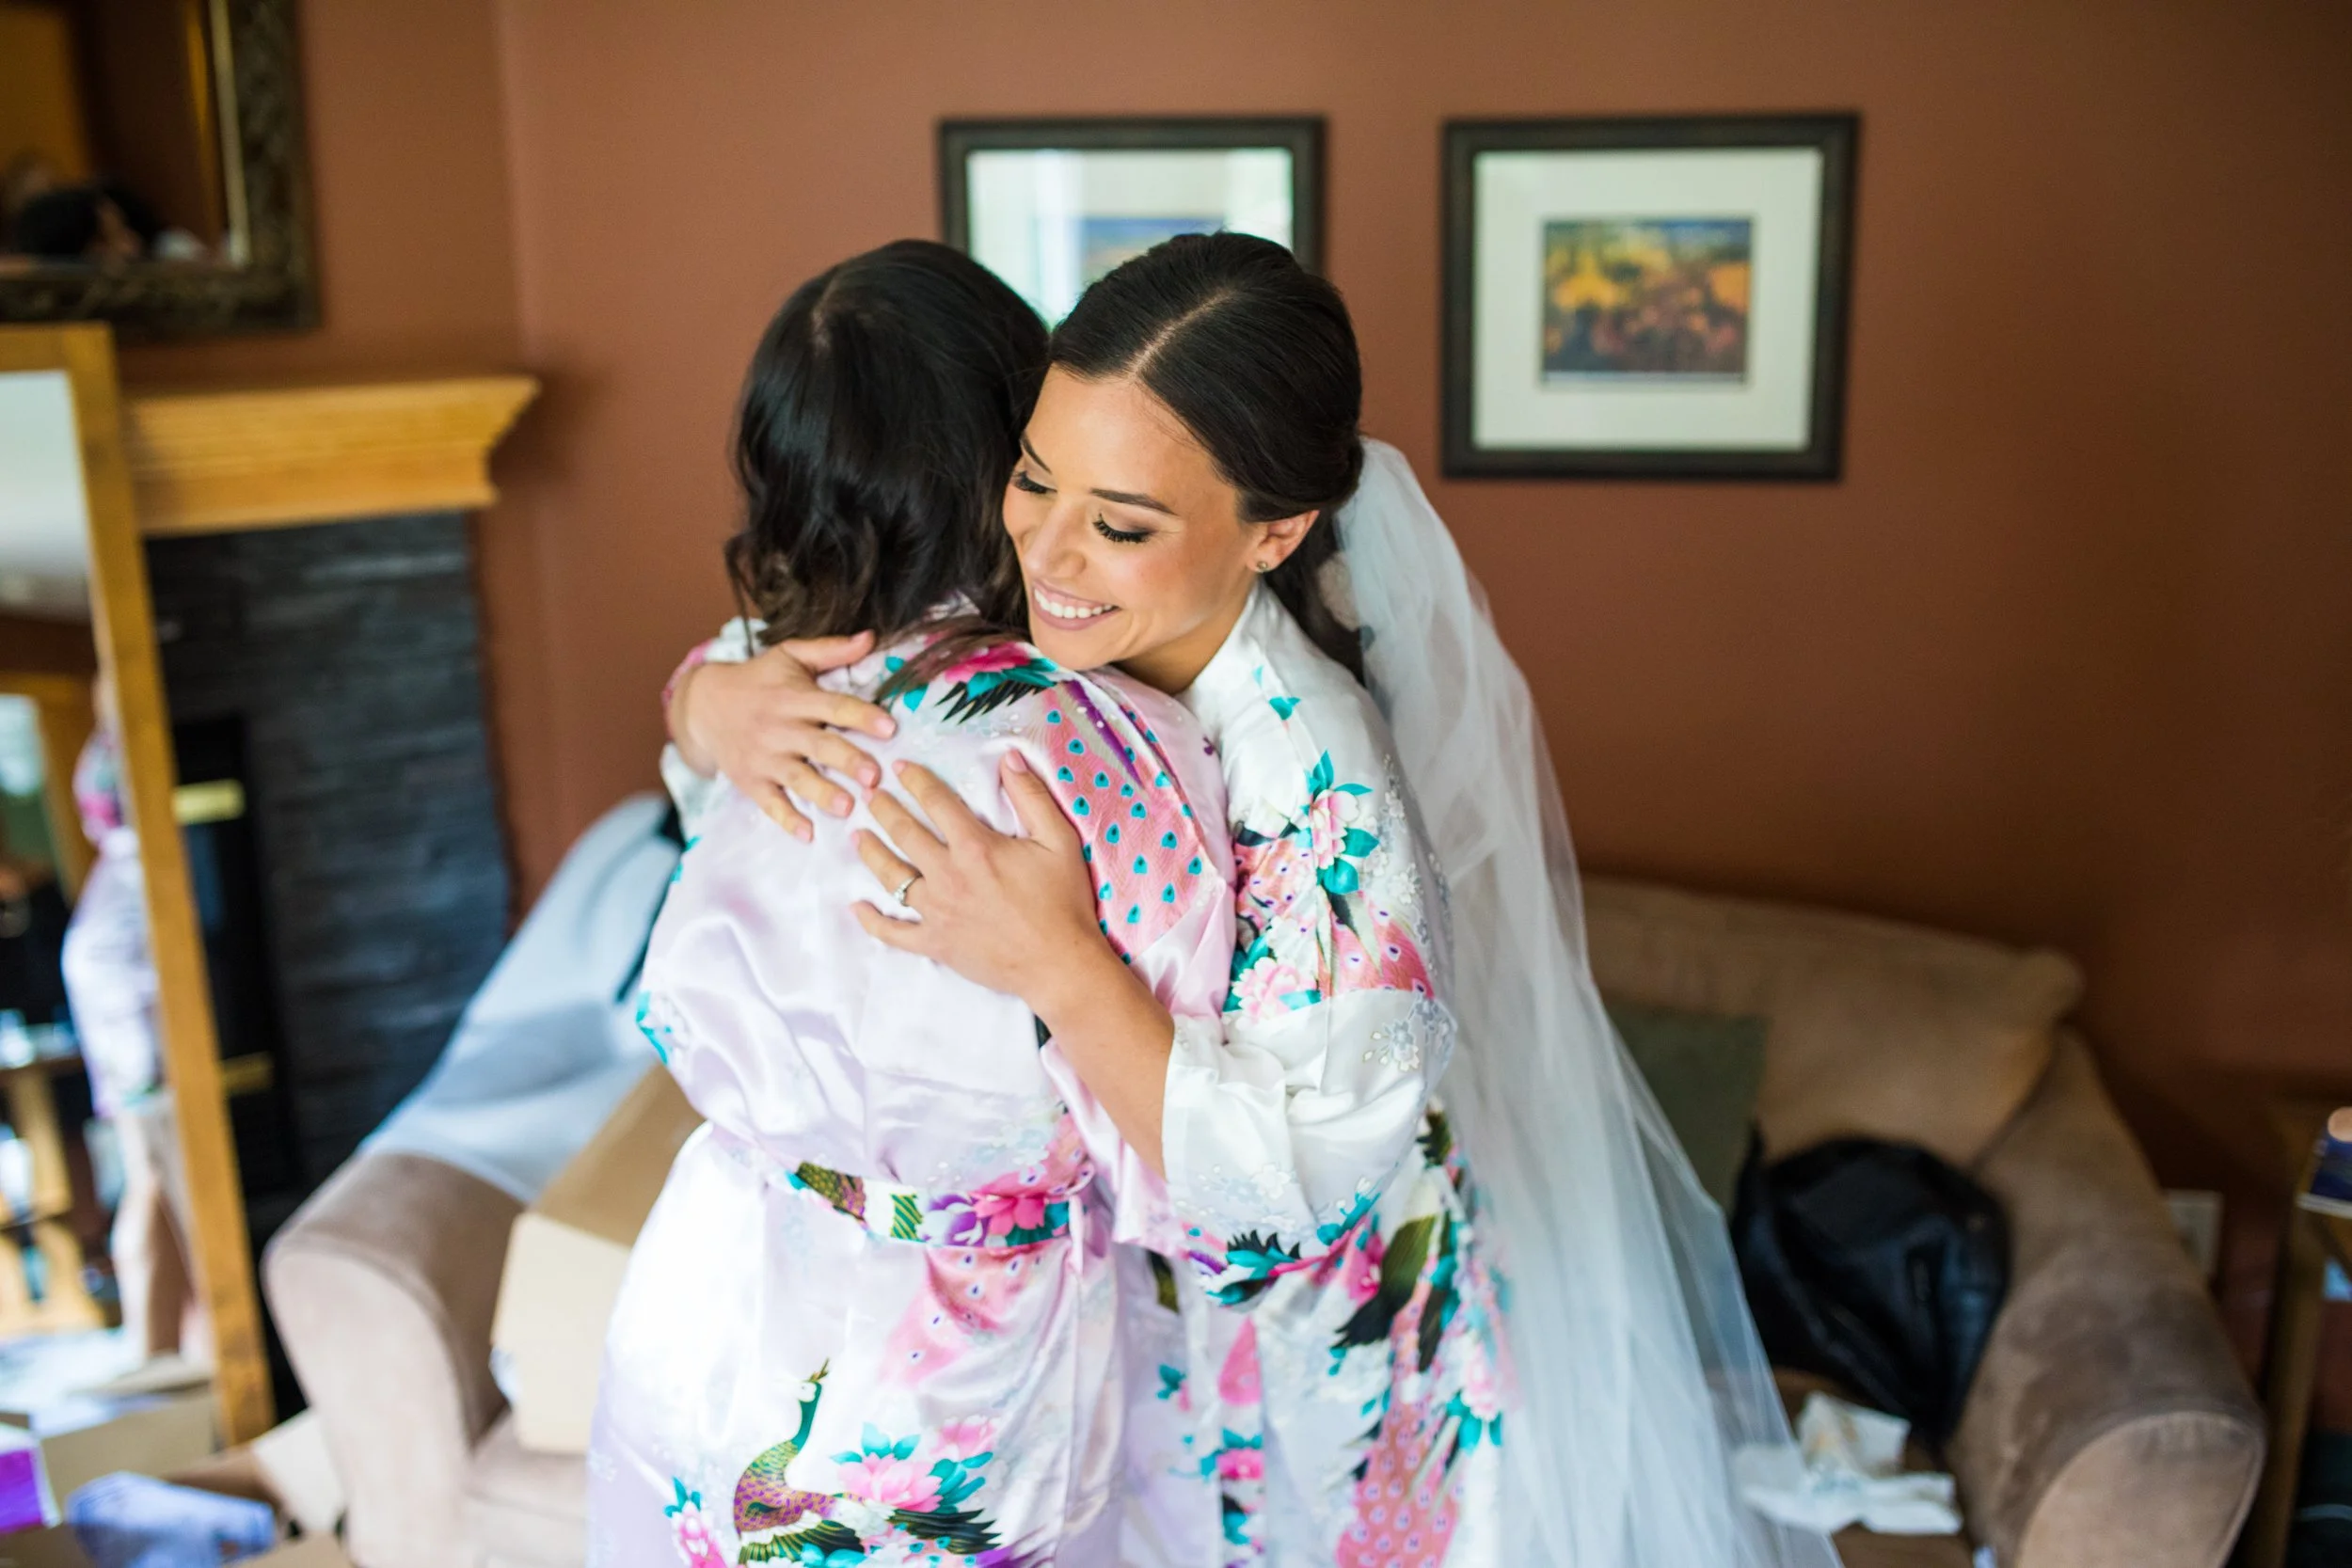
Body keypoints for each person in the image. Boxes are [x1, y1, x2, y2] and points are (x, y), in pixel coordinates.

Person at [673, 233, 1839, 1568]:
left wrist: (1059, 966)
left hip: (1316, 1353)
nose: (1045, 550)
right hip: (1111, 1325)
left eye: (1118, 522)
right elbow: (807, 681)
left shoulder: (1323, 790)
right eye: (1032, 478)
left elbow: (1294, 1186)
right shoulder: (1047, 625)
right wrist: (705, 703)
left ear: (1274, 528)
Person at [585, 240, 1240, 1568]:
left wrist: (698, 705)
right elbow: (1194, 1157)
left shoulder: (769, 686)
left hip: (701, 1304)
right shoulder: (1111, 746)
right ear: (1022, 443)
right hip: (948, 1368)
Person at [59, 699, 202, 1364]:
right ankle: (154, 1351)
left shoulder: (128, 735)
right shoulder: (117, 738)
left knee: (156, 1189)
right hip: (133, 1044)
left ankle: (159, 1350)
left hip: (136, 1040)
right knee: (152, 1185)